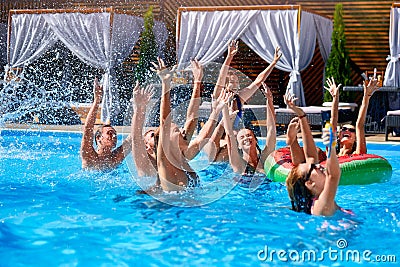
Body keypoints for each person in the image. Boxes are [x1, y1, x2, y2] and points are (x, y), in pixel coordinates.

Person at [141, 57, 229, 191]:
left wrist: (198, 83)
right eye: (177, 131)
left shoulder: (182, 156)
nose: (183, 130)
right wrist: (166, 83)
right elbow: (165, 121)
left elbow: (192, 119)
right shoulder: (165, 161)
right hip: (171, 209)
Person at [204, 40, 282, 162]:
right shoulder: (218, 95)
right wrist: (229, 57)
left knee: (235, 140)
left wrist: (273, 63)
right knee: (215, 156)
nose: (235, 85)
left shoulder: (239, 98)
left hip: (231, 141)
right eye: (232, 82)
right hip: (215, 142)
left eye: (237, 82)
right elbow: (221, 77)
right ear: (225, 84)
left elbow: (258, 81)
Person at [284, 92, 343, 216]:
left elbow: (311, 156)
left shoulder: (318, 201)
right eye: (313, 167)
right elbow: (334, 175)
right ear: (310, 184)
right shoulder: (321, 205)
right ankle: (292, 142)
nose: (318, 165)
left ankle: (292, 141)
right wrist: (331, 146)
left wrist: (302, 116)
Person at [221, 82, 276, 175]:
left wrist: (269, 101)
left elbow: (271, 129)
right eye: (242, 137)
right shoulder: (238, 163)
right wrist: (224, 108)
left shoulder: (264, 159)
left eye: (249, 135)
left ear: (255, 140)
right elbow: (229, 134)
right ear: (238, 145)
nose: (246, 138)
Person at [80, 78, 132, 171]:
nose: (114, 136)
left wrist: (141, 108)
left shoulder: (116, 158)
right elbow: (88, 129)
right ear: (98, 138)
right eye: (110, 133)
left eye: (115, 134)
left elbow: (134, 137)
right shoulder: (90, 157)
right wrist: (97, 101)